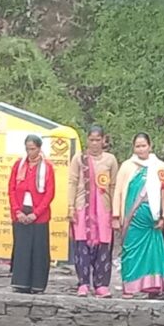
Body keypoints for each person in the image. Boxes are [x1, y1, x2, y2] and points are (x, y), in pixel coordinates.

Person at [113, 132, 164, 298]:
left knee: (154, 252)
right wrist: (116, 216)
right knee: (130, 250)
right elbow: (118, 191)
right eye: (137, 146)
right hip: (132, 219)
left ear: (150, 146)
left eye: (143, 145)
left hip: (152, 220)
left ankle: (153, 286)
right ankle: (130, 287)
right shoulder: (127, 166)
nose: (141, 149)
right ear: (133, 148)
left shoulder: (159, 166)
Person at [68, 125, 119, 298]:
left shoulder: (110, 160)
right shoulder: (79, 159)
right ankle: (83, 283)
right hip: (83, 207)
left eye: (98, 140)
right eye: (92, 140)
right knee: (81, 245)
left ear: (104, 140)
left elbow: (114, 186)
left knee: (103, 245)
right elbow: (72, 183)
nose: (95, 143)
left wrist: (115, 212)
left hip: (103, 209)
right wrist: (71, 207)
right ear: (87, 140)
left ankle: (101, 285)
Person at [8, 134, 55, 294]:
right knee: (22, 248)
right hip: (20, 212)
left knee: (38, 250)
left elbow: (49, 193)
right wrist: (17, 211)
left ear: (39, 149)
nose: (30, 152)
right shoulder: (18, 165)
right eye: (27, 149)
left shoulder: (46, 167)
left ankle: (37, 285)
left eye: (33, 149)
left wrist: (36, 213)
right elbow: (11, 189)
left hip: (39, 215)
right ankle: (20, 283)